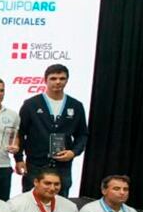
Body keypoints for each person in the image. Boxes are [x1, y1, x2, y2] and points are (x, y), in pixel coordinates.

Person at [16, 64, 89, 196]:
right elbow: (20, 133)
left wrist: (73, 152)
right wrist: (19, 158)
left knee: (61, 204)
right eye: (53, 78)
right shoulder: (31, 104)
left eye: (62, 78)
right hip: (36, 164)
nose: (58, 82)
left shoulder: (76, 105)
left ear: (67, 80)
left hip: (63, 166)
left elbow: (82, 134)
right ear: (45, 80)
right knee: (30, 201)